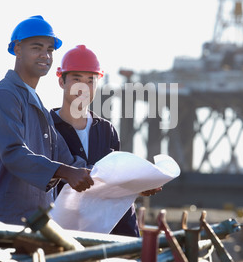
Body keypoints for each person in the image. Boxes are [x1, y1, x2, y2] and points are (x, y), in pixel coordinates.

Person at [0, 16, 93, 225]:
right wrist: (67, 172)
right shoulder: (4, 94)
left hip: (39, 224)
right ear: (18, 49)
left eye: (49, 50)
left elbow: (71, 163)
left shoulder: (39, 106)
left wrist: (131, 184)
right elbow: (13, 153)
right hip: (4, 223)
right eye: (37, 48)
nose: (45, 55)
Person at [50, 45, 161, 237]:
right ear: (62, 81)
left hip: (107, 235)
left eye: (90, 80)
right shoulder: (46, 127)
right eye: (77, 79)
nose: (83, 88)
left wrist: (137, 185)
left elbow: (111, 181)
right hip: (60, 234)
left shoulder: (106, 130)